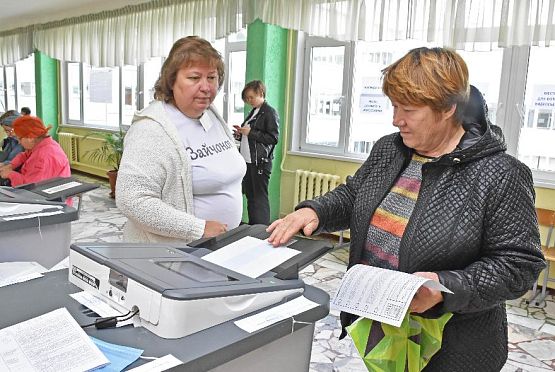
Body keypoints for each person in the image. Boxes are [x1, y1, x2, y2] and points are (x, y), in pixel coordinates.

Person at [267, 47, 545, 371]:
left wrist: (446, 288)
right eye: (394, 106)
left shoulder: (501, 174)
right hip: (382, 328)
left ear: (447, 109)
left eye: (408, 109)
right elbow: (356, 194)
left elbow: (519, 265)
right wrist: (315, 211)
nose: (396, 119)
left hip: (455, 349)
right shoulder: (390, 149)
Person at [116, 36, 246, 243]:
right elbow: (132, 200)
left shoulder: (211, 114)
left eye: (211, 78)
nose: (206, 87)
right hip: (171, 257)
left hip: (216, 246)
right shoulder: (151, 128)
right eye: (194, 78)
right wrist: (198, 228)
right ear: (172, 80)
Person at [233, 80, 279, 225]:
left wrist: (251, 132)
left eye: (251, 97)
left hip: (260, 163)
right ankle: (253, 228)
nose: (249, 101)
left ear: (261, 93)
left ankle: (261, 231)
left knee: (259, 197)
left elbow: (273, 138)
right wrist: (241, 134)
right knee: (251, 196)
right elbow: (252, 137)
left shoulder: (269, 112)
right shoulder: (254, 112)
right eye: (247, 98)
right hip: (248, 161)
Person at [0, 115, 70, 186]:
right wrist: (11, 165)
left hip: (44, 193)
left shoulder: (43, 157)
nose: (19, 142)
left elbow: (31, 187)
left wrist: (10, 174)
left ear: (30, 138)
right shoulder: (42, 144)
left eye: (19, 138)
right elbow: (25, 155)